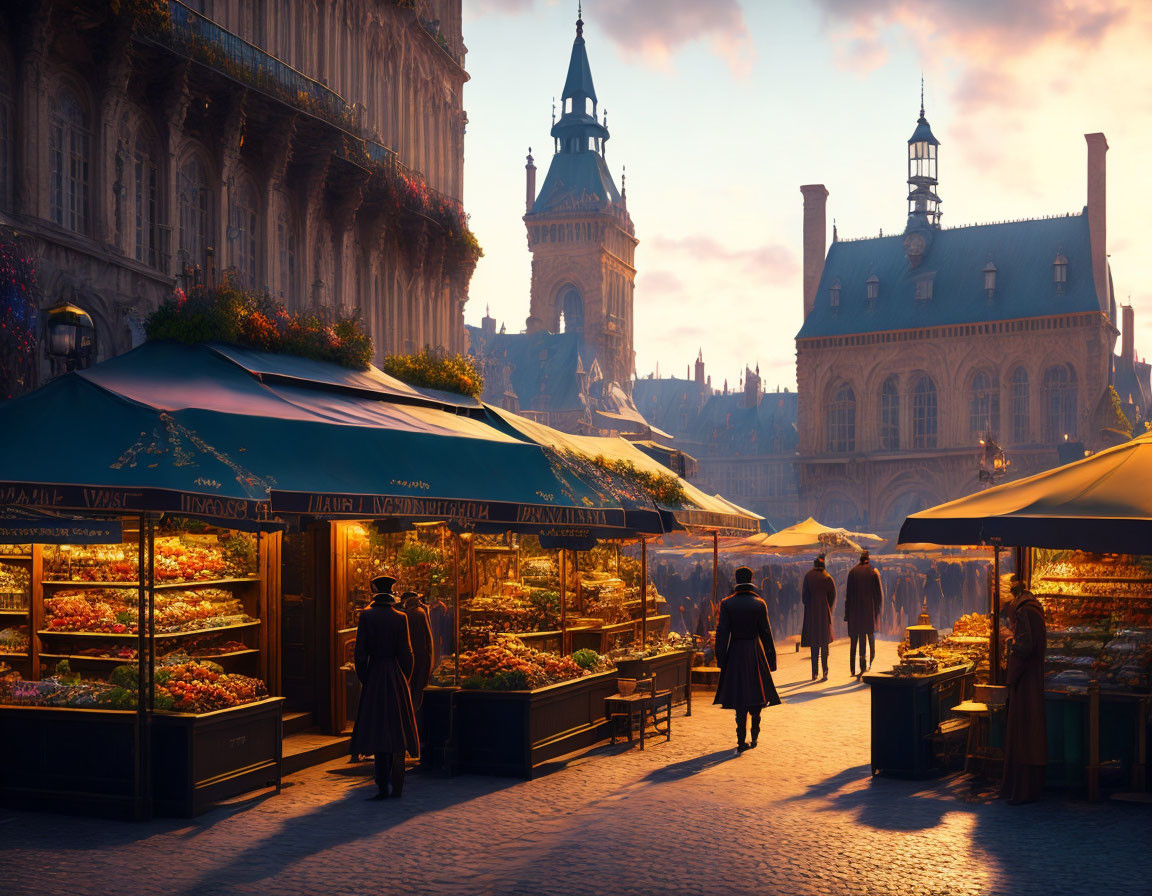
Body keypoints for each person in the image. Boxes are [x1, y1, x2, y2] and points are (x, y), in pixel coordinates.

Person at [350, 576, 419, 800]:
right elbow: (407, 654)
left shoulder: (366, 616)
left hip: (376, 674)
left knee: (378, 728)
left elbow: (360, 653)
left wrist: (366, 678)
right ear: (392, 596)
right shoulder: (400, 618)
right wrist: (404, 678)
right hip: (395, 674)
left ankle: (381, 784)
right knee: (397, 727)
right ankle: (396, 781)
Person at [713, 566, 780, 751]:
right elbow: (766, 633)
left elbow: (722, 633)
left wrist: (721, 658)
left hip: (735, 652)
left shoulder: (727, 604)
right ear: (751, 579)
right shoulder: (759, 604)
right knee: (757, 696)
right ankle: (755, 737)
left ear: (736, 580)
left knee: (739, 698)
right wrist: (771, 660)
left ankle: (740, 739)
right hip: (754, 651)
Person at [1001, 575, 1047, 804]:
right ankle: (1029, 786)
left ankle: (1022, 788)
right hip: (1034, 677)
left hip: (1026, 680)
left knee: (1023, 732)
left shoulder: (1024, 612)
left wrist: (1011, 644)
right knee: (1031, 731)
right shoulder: (1034, 609)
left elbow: (1025, 646)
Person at [845, 550, 883, 678]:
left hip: (854, 613)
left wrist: (847, 615)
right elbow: (878, 596)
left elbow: (848, 597)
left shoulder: (852, 573)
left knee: (855, 640)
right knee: (868, 639)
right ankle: (867, 664)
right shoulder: (873, 573)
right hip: (868, 612)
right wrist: (877, 612)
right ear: (869, 559)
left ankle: (852, 668)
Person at [801, 554, 836, 681]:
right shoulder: (827, 577)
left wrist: (809, 604)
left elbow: (804, 597)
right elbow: (832, 596)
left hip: (811, 613)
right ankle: (825, 671)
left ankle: (814, 673)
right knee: (824, 643)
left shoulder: (808, 576)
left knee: (814, 644)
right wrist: (828, 607)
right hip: (824, 613)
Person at [401, 591, 434, 713]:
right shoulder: (421, 611)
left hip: (415, 655)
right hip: (422, 654)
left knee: (414, 686)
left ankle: (413, 713)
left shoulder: (410, 614)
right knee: (418, 685)